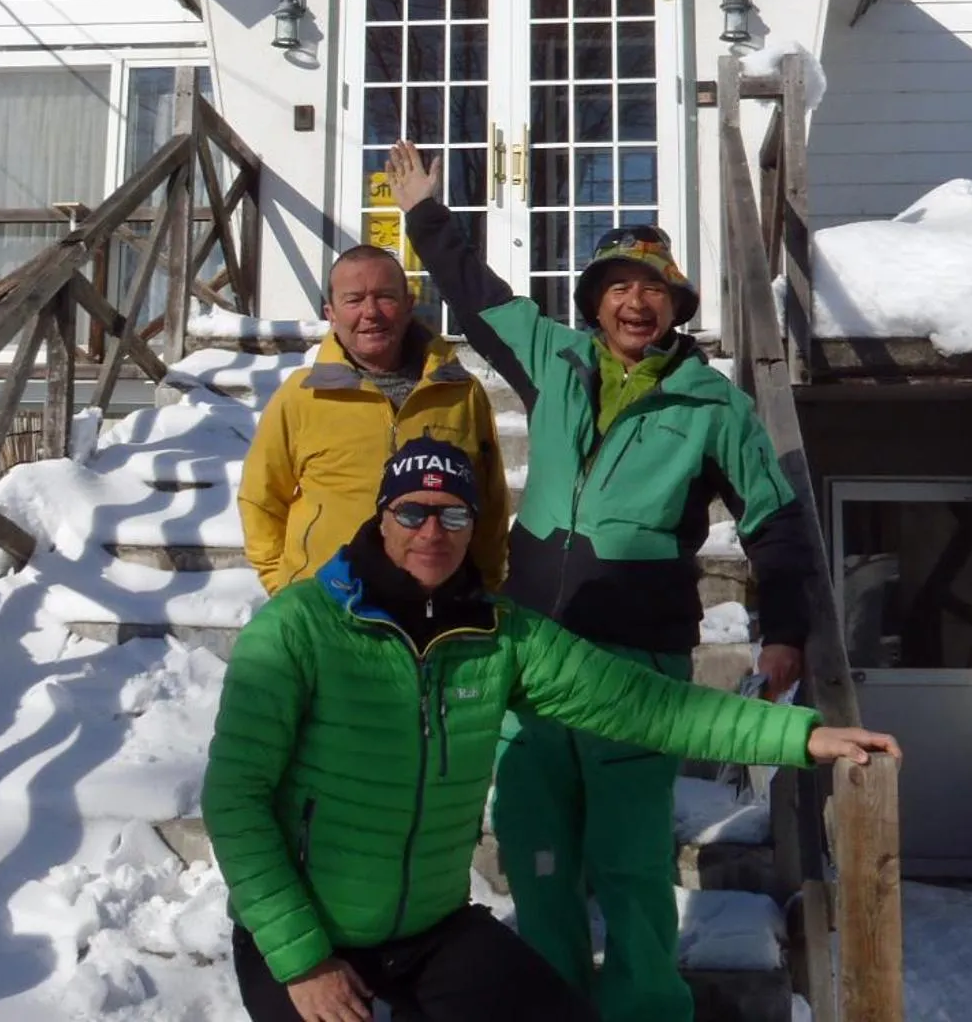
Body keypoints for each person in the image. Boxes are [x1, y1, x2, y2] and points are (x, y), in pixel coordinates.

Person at [204, 439, 897, 1022]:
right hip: (305, 936)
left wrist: (800, 736)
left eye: (453, 515)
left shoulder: (499, 634)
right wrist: (304, 961)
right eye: (411, 511)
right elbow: (235, 801)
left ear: (476, 525)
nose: (431, 531)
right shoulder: (298, 629)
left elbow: (643, 704)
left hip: (432, 931)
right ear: (381, 518)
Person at [382, 138, 822, 1022]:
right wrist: (426, 215)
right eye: (620, 284)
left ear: (675, 307)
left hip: (636, 668)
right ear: (593, 300)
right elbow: (477, 299)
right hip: (536, 662)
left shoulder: (714, 407)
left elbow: (776, 525)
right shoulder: (554, 362)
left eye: (654, 288)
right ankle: (547, 1008)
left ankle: (644, 1010)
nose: (636, 300)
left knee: (628, 867)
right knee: (539, 858)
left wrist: (784, 633)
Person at [238, 243, 509, 593]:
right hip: (328, 607)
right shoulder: (301, 396)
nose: (371, 312)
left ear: (409, 305)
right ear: (331, 313)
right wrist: (285, 586)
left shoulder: (460, 392)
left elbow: (490, 505)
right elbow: (260, 499)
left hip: (437, 605)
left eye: (385, 297)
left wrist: (485, 586)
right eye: (354, 300)